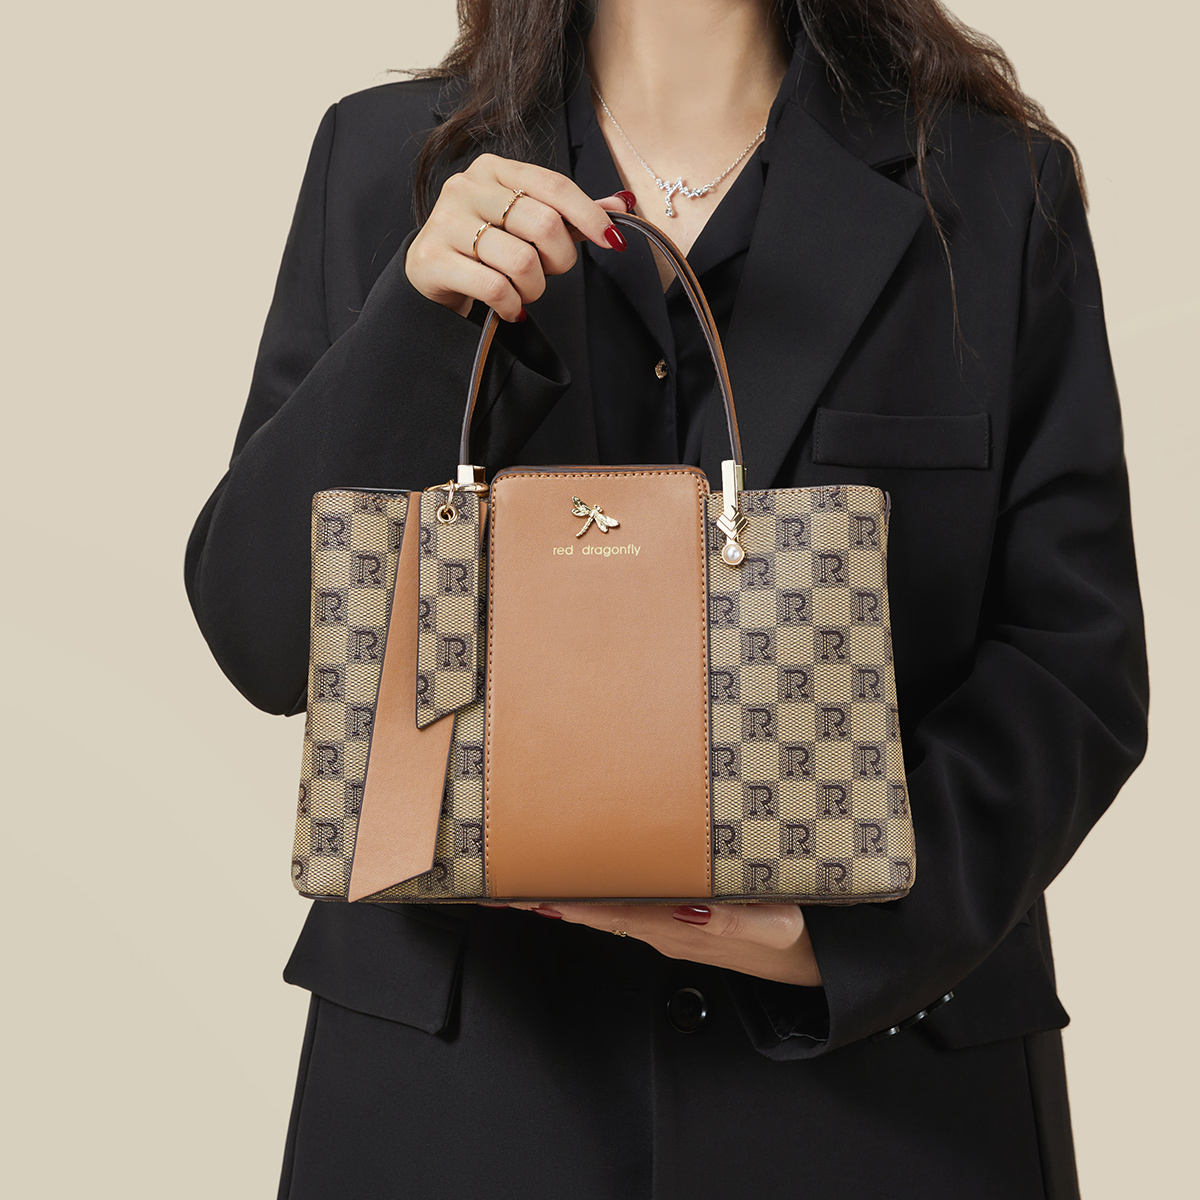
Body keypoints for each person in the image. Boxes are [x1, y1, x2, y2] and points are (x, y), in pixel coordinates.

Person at [184, 1, 1149, 1196]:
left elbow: (1074, 656)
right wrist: (418, 326)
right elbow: (263, 639)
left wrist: (844, 932)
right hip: (462, 1103)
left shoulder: (996, 186)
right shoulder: (391, 162)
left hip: (887, 1104)